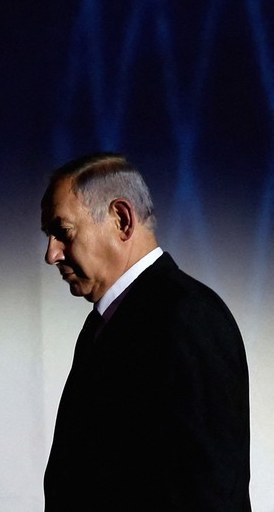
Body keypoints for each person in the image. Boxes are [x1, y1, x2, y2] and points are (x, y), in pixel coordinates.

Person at [40, 153, 251, 511]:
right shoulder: (105, 323)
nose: (51, 254)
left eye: (63, 231)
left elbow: (212, 491)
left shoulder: (189, 319)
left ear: (121, 219)